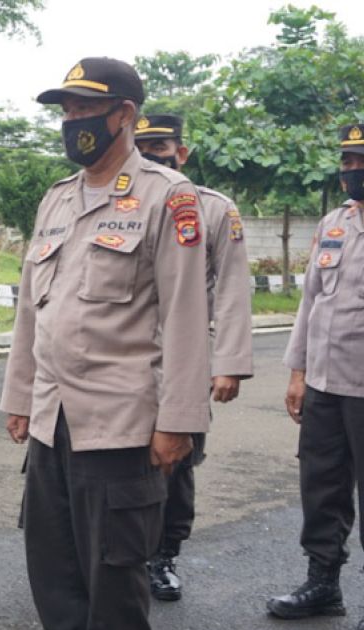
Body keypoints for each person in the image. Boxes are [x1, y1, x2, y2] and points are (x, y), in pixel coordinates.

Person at [0, 58, 210, 630]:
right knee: (52, 550)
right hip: (55, 412)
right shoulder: (56, 199)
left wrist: (178, 420)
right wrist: (20, 394)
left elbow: (184, 316)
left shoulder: (167, 197)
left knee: (116, 562)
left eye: (86, 110)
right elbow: (34, 308)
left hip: (123, 418)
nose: (73, 123)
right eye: (65, 111)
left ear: (125, 114)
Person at [133, 114, 255, 601]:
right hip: (131, 355)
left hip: (188, 355)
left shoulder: (212, 210)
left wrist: (228, 363)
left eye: (159, 145)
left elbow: (231, 289)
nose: (149, 154)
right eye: (140, 145)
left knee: (175, 461)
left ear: (181, 153)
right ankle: (124, 553)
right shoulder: (122, 206)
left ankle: (164, 557)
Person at [268, 122, 364, 630]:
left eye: (360, 161)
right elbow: (311, 302)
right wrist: (298, 372)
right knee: (321, 486)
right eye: (347, 162)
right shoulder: (335, 222)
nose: (353, 170)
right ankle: (322, 583)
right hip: (326, 384)